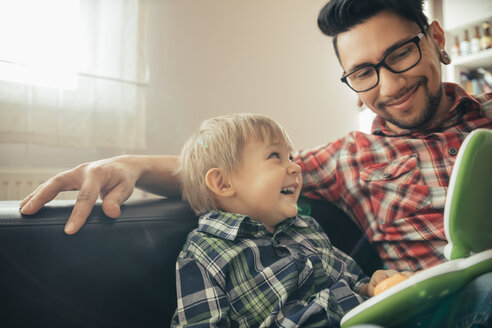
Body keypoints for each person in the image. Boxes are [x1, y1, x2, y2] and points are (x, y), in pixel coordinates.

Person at [18, 0, 491, 325]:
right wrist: (133, 164)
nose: (387, 87)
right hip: (453, 305)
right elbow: (239, 175)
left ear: (433, 38)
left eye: (400, 55)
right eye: (364, 72)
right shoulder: (350, 157)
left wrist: (369, 284)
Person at [170, 112, 398, 327]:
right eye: (274, 156)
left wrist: (372, 286)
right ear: (223, 184)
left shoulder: (307, 227)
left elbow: (354, 281)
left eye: (290, 156)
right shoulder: (203, 253)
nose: (296, 167)